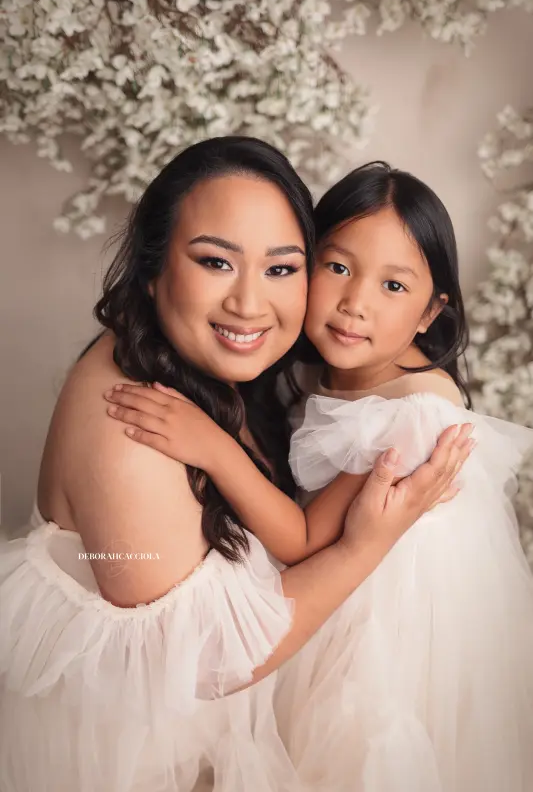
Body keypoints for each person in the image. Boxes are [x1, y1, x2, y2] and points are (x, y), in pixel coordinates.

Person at [0, 142, 470, 792]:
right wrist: (365, 545)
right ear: (152, 268)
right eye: (216, 262)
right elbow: (209, 658)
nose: (249, 303)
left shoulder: (204, 364)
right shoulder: (131, 416)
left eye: (280, 269)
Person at [106, 161, 533, 791]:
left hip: (384, 648)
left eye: (393, 287)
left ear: (429, 312)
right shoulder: (327, 372)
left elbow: (304, 539)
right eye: (337, 267)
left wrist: (211, 446)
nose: (355, 303)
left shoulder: (412, 418)